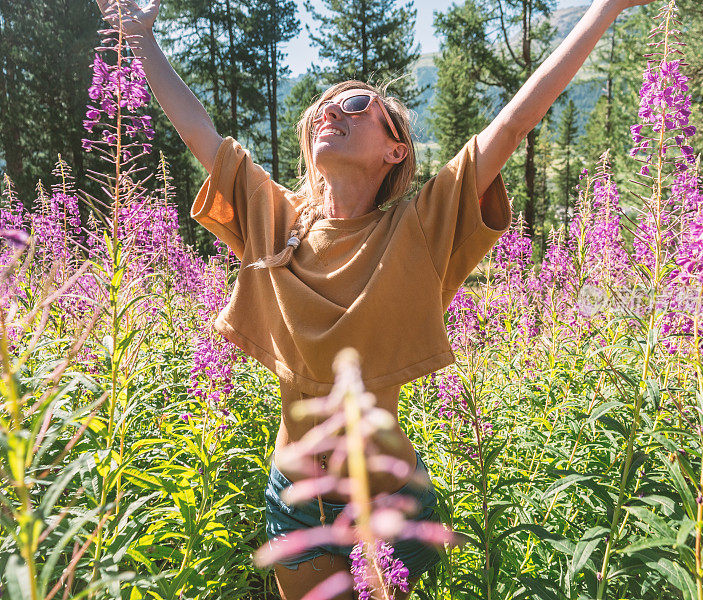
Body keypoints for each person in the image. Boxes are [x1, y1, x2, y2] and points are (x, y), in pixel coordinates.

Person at [95, 0, 656, 598]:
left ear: (395, 150)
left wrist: (606, 8)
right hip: (298, 499)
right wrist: (141, 37)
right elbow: (197, 130)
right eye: (322, 109)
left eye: (358, 104)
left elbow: (515, 124)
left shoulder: (419, 226)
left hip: (390, 500)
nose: (333, 110)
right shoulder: (274, 220)